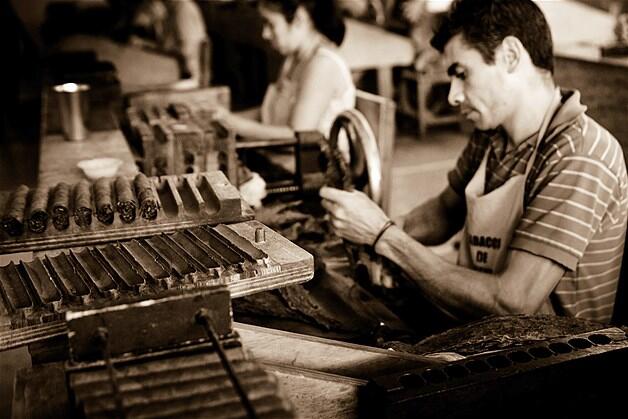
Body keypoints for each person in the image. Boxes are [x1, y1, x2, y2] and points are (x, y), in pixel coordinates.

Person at [320, 0, 628, 325]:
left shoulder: (578, 153)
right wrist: (377, 235)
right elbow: (445, 210)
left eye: (462, 74)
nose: (453, 96)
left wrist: (385, 237)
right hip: (481, 331)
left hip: (553, 357)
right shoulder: (492, 134)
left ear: (510, 56)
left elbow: (513, 303)